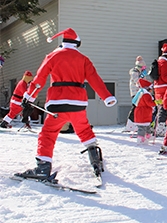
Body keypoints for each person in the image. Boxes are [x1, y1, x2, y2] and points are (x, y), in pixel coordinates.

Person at [14, 28, 117, 180]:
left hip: (58, 103)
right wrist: (107, 97)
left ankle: (43, 168)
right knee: (84, 130)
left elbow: (40, 78)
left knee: (48, 134)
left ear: (63, 42)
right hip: (78, 103)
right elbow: (95, 79)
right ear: (77, 43)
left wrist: (29, 96)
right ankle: (95, 160)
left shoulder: (53, 56)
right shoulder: (83, 59)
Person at [153, 43, 167, 136]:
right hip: (164, 87)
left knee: (160, 108)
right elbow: (165, 76)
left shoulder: (159, 62)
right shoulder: (164, 63)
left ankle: (156, 127)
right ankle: (161, 128)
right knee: (164, 107)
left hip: (158, 87)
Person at [125, 56, 147, 132]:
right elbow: (137, 82)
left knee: (139, 108)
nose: (144, 69)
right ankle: (130, 124)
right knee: (135, 107)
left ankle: (135, 123)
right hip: (135, 92)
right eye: (143, 67)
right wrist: (141, 78)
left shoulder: (140, 73)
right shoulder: (134, 72)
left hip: (140, 92)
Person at [133, 78, 156, 144]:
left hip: (142, 112)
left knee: (146, 126)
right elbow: (149, 103)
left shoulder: (142, 93)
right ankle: (140, 138)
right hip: (143, 113)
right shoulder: (146, 94)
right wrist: (156, 102)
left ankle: (147, 136)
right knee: (142, 127)